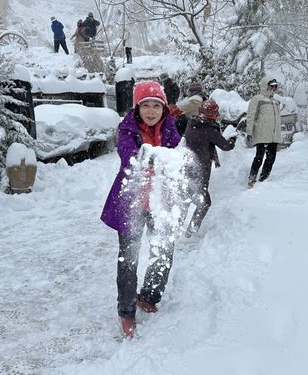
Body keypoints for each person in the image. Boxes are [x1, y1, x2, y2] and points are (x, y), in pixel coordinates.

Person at [100, 81, 181, 339]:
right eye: (145, 105)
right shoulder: (127, 130)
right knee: (129, 260)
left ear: (163, 108)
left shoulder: (169, 129)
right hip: (132, 205)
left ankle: (148, 295)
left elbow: (179, 155)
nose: (150, 110)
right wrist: (155, 156)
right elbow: (129, 156)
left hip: (161, 203)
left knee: (163, 252)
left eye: (156, 105)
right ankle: (126, 312)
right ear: (137, 108)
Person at [181, 99, 236, 237]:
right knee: (205, 202)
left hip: (187, 166)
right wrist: (233, 139)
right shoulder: (209, 129)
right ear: (213, 114)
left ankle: (176, 225)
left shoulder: (191, 123)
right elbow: (226, 146)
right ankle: (190, 231)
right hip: (200, 169)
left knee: (186, 197)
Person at [245, 77, 282, 188]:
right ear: (265, 85)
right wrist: (249, 132)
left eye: (275, 86)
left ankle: (264, 178)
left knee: (271, 158)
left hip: (273, 134)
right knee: (259, 156)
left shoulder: (275, 101)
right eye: (271, 85)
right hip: (261, 133)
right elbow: (251, 116)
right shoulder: (257, 99)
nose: (273, 88)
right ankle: (252, 178)